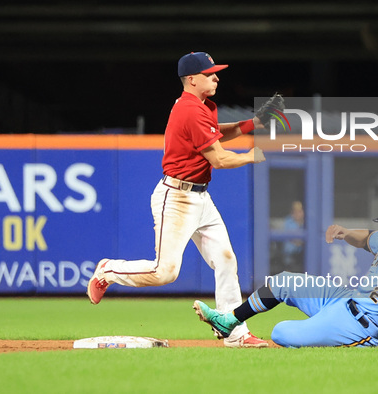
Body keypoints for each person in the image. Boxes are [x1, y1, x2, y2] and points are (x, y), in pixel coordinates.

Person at [87, 51, 281, 348]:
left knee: (227, 260)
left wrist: (253, 123)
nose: (216, 76)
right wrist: (250, 156)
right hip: (176, 197)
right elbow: (217, 158)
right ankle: (108, 270)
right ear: (192, 79)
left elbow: (216, 135)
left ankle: (234, 332)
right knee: (165, 272)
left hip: (201, 197)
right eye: (210, 73)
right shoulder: (190, 110)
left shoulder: (201, 107)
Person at [194, 199, 378, 348]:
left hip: (358, 326)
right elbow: (366, 238)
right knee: (283, 281)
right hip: (341, 300)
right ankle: (228, 321)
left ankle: (350, 341)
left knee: (280, 332)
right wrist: (347, 233)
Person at [281, 200, 305, 271]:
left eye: (299, 211)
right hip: (289, 258)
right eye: (295, 212)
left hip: (302, 258)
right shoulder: (288, 221)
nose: (297, 214)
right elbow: (291, 237)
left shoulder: (306, 222)